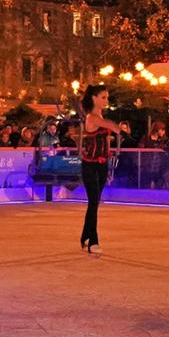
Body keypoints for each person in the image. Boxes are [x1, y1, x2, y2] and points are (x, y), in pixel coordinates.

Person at [75, 85, 120, 255]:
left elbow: (110, 135)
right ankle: (93, 240)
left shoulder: (100, 116)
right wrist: (118, 128)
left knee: (94, 203)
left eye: (107, 97)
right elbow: (112, 127)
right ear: (94, 98)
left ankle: (85, 235)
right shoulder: (92, 117)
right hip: (90, 165)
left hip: (102, 164)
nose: (106, 101)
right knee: (93, 202)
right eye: (103, 97)